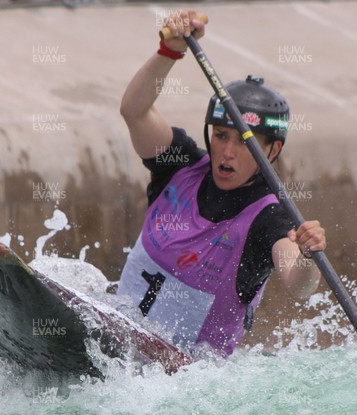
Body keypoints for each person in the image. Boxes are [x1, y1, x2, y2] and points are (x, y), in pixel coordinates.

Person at [117, 10, 327, 357]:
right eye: (221, 135)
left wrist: (308, 256)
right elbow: (134, 111)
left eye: (245, 141)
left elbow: (298, 285)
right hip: (118, 349)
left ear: (273, 149)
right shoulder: (179, 164)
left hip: (183, 386)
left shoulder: (270, 219)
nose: (227, 152)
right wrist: (168, 52)